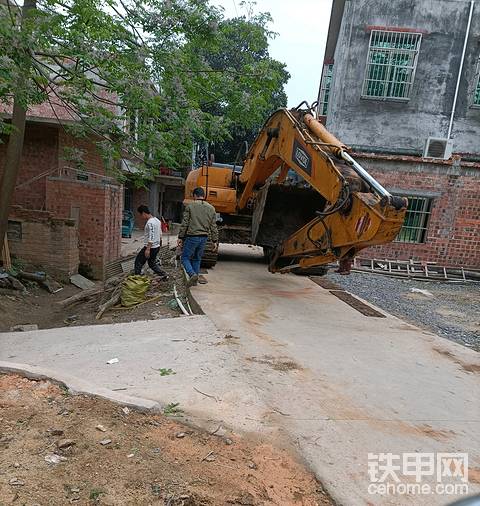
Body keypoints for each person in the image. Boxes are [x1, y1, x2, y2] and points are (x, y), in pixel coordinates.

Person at [178, 187, 218, 285]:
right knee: (197, 258)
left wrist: (180, 237)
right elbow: (213, 226)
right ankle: (194, 281)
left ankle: (192, 274)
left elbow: (185, 223)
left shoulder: (190, 206)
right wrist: (214, 240)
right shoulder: (211, 208)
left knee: (184, 258)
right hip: (204, 238)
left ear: (195, 195)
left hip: (192, 236)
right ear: (203, 195)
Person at [134, 205, 168, 280]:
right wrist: (160, 244)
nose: (141, 217)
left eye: (140, 215)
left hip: (150, 247)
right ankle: (164, 275)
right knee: (152, 263)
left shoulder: (150, 223)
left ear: (143, 213)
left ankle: (136, 279)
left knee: (138, 262)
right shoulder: (157, 220)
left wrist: (148, 249)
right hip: (156, 246)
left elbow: (151, 236)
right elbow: (160, 234)